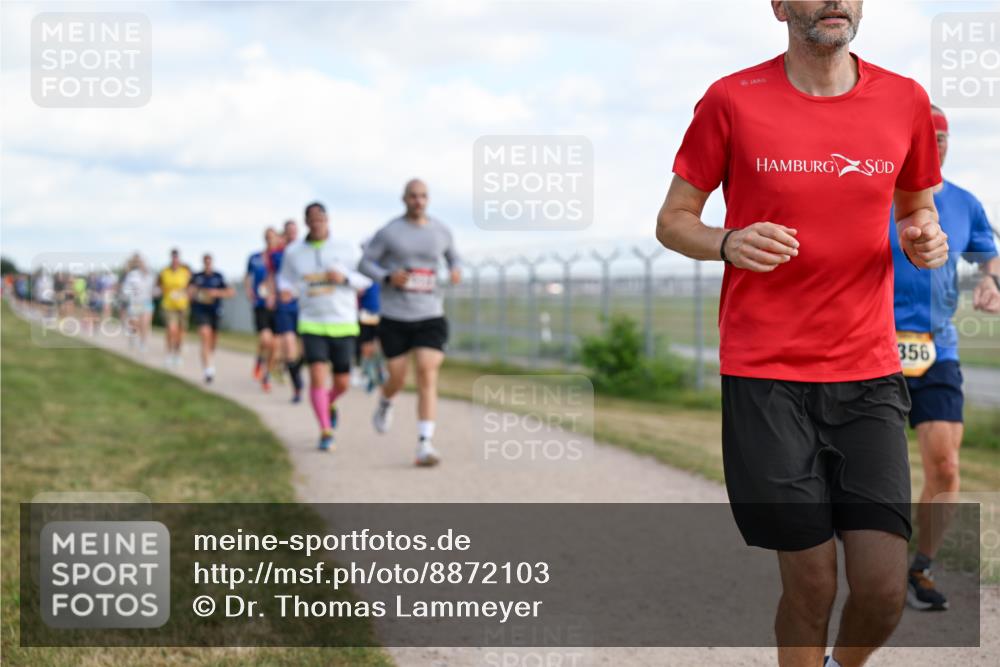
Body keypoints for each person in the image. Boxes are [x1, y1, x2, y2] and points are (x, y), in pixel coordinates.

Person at [654, 3, 948, 666]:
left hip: (868, 374)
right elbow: (673, 221)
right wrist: (727, 240)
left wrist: (923, 235)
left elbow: (917, 205)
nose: (835, 1)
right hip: (767, 375)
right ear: (781, 5)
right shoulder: (731, 99)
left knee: (880, 589)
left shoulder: (904, 99)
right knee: (811, 581)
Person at [891, 104, 1000, 612]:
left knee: (946, 466)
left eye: (942, 139)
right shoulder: (876, 195)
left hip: (937, 349)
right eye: (925, 139)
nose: (935, 147)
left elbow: (986, 253)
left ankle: (920, 568)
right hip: (870, 346)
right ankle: (860, 552)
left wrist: (988, 279)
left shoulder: (963, 202)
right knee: (863, 467)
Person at [359, 179, 460, 467]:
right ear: (404, 199)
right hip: (395, 316)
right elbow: (365, 264)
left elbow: (454, 258)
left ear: (429, 199)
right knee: (398, 378)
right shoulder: (390, 232)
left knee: (428, 373)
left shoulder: (441, 231)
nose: (419, 201)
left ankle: (425, 444)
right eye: (413, 196)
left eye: (424, 196)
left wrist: (455, 270)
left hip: (430, 313)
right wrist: (388, 277)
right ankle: (386, 401)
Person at [279, 202, 372, 451]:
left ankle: (329, 402)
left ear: (328, 219)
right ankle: (325, 429)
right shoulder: (293, 252)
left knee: (342, 383)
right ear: (306, 222)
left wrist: (345, 278)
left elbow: (366, 279)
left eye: (321, 218)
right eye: (312, 219)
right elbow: (284, 279)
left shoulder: (347, 247)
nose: (317, 223)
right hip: (312, 322)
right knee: (317, 376)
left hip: (343, 322)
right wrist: (286, 291)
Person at [268, 219, 305, 401]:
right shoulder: (277, 255)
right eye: (288, 231)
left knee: (307, 349)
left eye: (294, 231)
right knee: (289, 345)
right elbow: (272, 276)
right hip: (285, 304)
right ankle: (297, 386)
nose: (292, 234)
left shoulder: (306, 251)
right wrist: (272, 294)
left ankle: (293, 369)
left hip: (305, 303)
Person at [189, 253, 234, 383]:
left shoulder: (218, 277)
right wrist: (195, 293)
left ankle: (209, 359)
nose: (207, 264)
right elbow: (189, 292)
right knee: (205, 335)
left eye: (209, 262)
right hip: (201, 311)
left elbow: (230, 292)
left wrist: (216, 293)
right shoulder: (197, 277)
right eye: (205, 262)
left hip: (215, 311)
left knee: (212, 341)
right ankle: (208, 369)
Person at [246, 228, 281, 388]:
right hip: (260, 304)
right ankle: (260, 361)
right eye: (267, 238)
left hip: (278, 305)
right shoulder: (255, 258)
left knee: (275, 345)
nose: (269, 240)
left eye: (272, 238)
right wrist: (249, 292)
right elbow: (248, 276)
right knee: (265, 340)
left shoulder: (282, 258)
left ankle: (266, 374)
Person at [158, 249, 192, 367]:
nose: (175, 260)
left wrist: (187, 294)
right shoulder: (164, 272)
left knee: (181, 333)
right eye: (173, 257)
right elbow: (159, 285)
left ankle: (177, 354)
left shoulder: (185, 272)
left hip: (182, 306)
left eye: (176, 257)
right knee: (171, 329)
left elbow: (191, 286)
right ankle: (169, 354)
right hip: (168, 305)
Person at [121, 253, 155, 351]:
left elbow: (155, 289)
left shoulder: (151, 276)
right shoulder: (132, 275)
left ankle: (143, 343)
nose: (143, 266)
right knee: (135, 324)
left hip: (147, 302)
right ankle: (132, 339)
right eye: (141, 264)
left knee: (145, 323)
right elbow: (125, 289)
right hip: (135, 303)